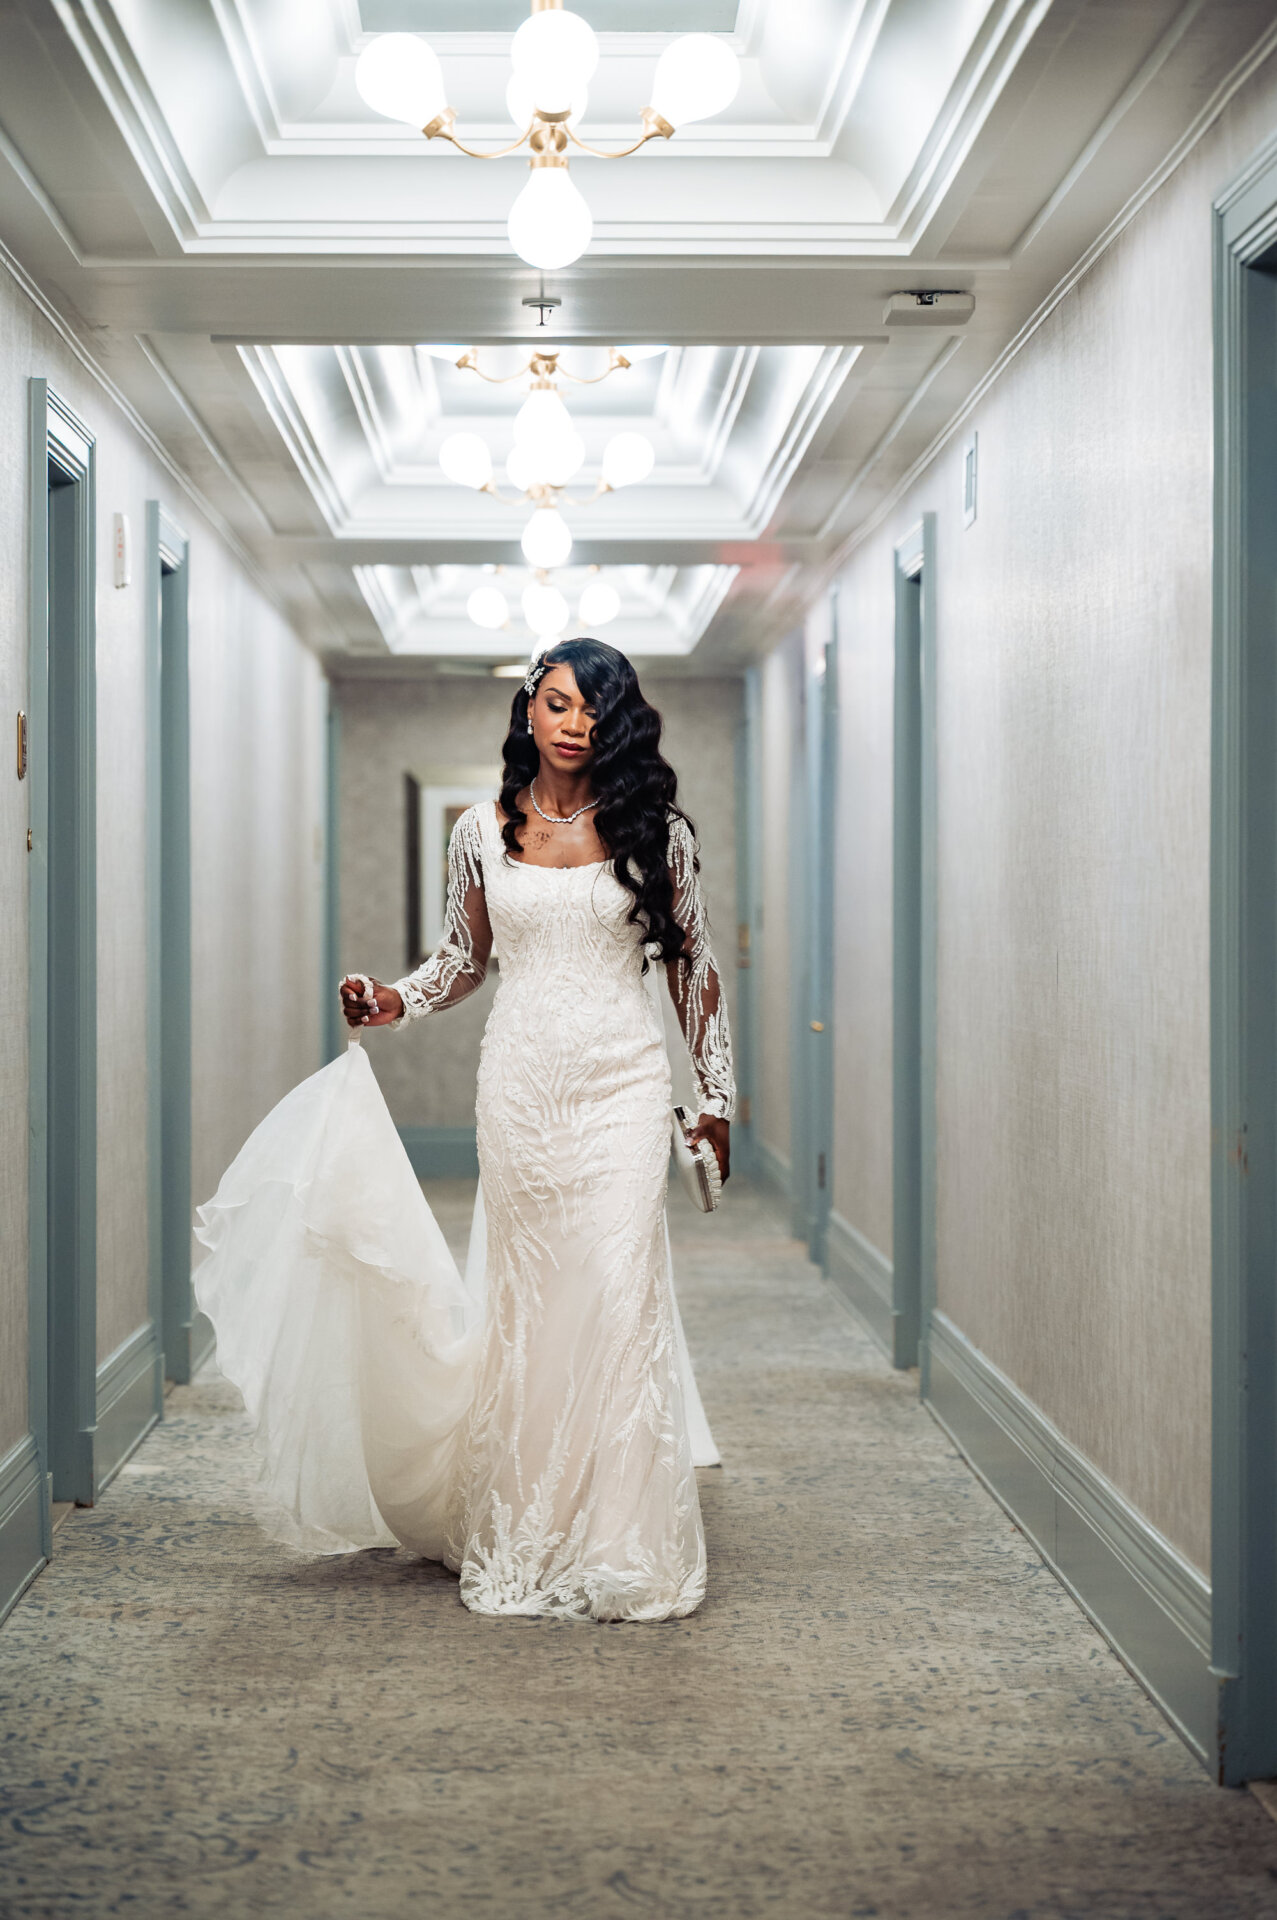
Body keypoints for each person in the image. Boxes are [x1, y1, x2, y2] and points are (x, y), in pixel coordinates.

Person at [195, 637, 734, 1622]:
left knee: (617, 1295)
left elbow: (690, 970)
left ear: (616, 725)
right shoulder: (479, 831)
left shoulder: (660, 833)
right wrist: (392, 1000)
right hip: (520, 1087)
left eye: (594, 712)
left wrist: (716, 1096)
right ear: (528, 709)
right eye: (560, 704)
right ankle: (529, 1520)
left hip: (620, 1085)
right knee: (532, 1307)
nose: (575, 725)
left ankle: (619, 1537)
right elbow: (461, 958)